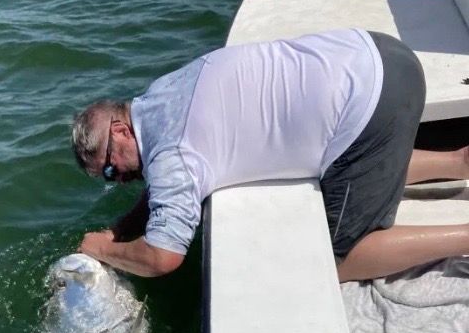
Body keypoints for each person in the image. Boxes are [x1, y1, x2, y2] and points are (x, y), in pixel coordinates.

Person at [71, 29, 469, 283]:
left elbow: (163, 256)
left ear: (121, 131)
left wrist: (102, 250)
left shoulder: (171, 155)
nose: (118, 178)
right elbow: (162, 179)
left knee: (337, 258)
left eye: (110, 168)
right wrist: (124, 227)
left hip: (372, 108)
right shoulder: (157, 96)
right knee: (346, 164)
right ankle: (458, 163)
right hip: (383, 53)